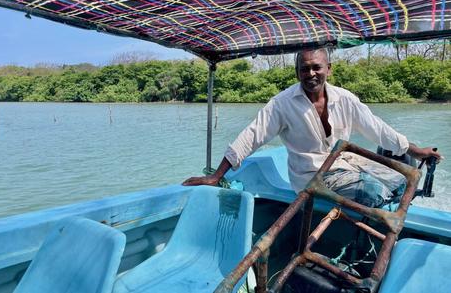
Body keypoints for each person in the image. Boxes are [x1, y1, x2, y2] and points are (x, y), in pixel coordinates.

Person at [182, 48, 442, 207]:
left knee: (401, 180)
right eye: (304, 69)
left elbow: (377, 128)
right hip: (311, 175)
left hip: (346, 163)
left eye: (316, 67)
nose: (311, 74)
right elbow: (251, 136)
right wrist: (217, 176)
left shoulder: (345, 98)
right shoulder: (282, 104)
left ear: (329, 69)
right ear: (297, 73)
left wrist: (416, 150)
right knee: (373, 192)